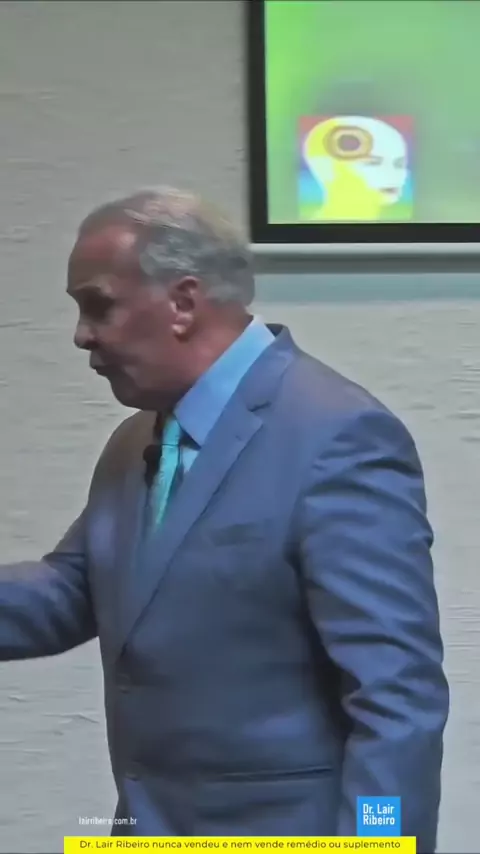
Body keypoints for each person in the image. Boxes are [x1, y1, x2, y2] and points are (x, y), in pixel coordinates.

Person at [0, 186, 448, 849]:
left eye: (99, 305)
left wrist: (376, 844)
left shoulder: (337, 436)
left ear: (183, 302)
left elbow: (396, 698)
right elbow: (73, 591)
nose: (81, 335)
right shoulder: (136, 440)